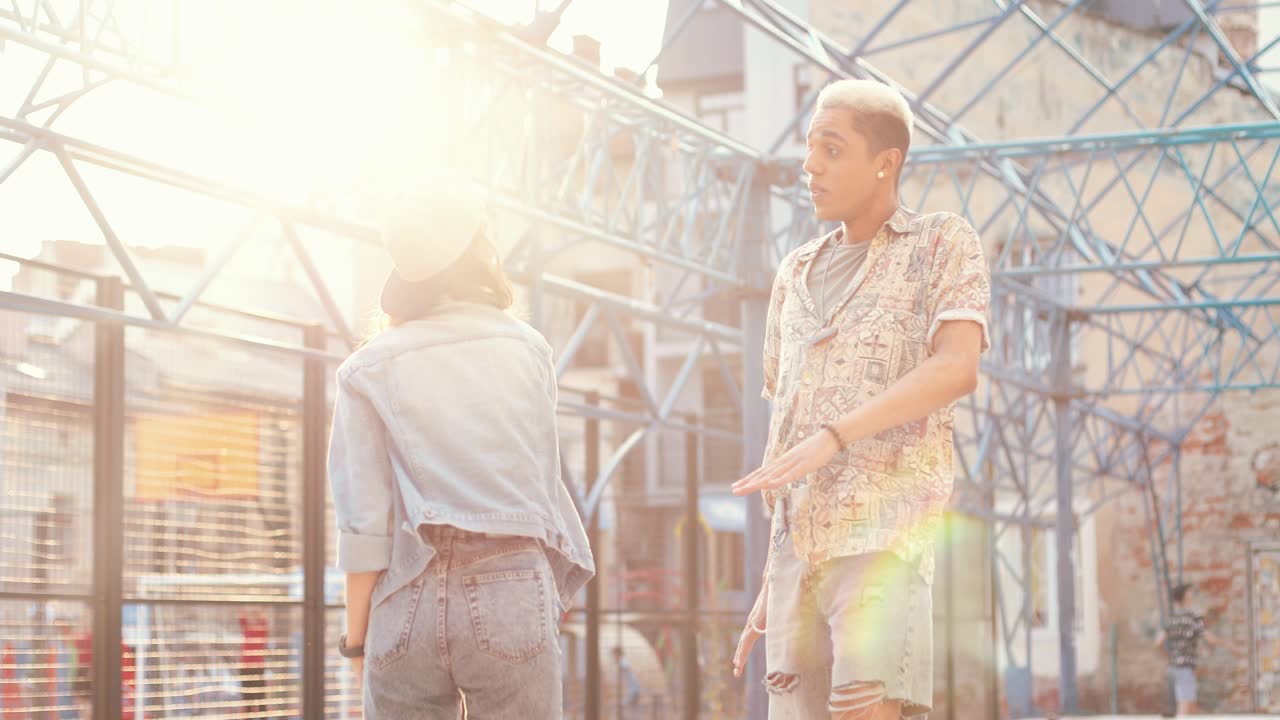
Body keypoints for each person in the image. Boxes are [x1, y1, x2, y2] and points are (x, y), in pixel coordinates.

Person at [730, 78, 991, 720]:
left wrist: (835, 435)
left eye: (831, 148)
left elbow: (956, 369)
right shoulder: (791, 274)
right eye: (809, 148)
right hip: (796, 557)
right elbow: (784, 424)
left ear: (885, 161)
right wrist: (772, 575)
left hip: (882, 540)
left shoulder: (941, 243)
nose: (810, 165)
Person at [328, 184, 594, 719]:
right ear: (478, 253)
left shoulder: (366, 368)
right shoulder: (528, 350)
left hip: (406, 594)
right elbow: (543, 486)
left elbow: (364, 528)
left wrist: (357, 642)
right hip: (512, 586)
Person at [1152, 582, 1246, 716]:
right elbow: (1210, 639)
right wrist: (1229, 645)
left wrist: (1168, 657)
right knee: (1184, 708)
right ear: (1186, 597)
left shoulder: (1172, 618)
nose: (1193, 594)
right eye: (1190, 592)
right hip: (1185, 666)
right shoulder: (1193, 617)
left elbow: (1157, 643)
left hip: (1174, 666)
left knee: (1190, 706)